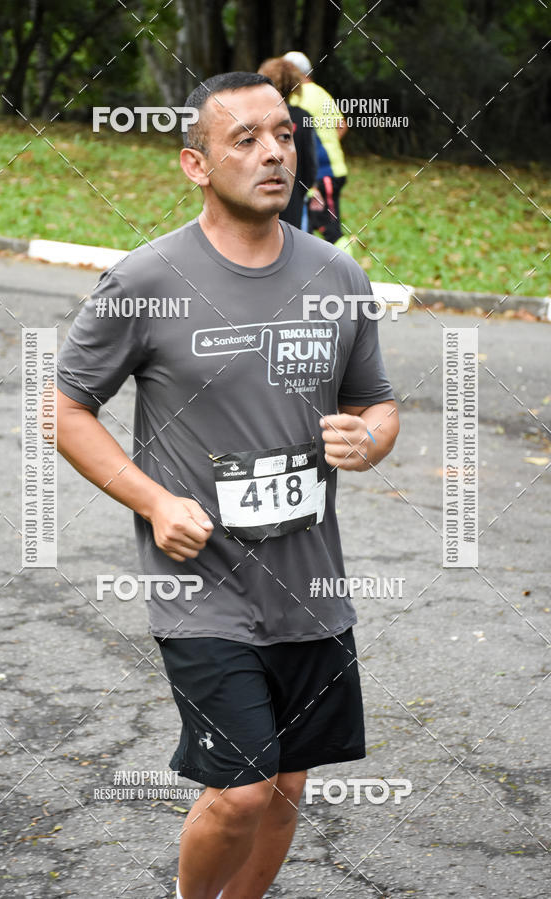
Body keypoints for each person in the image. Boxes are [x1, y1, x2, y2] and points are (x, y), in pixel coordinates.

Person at [55, 71, 399, 899]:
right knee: (242, 785)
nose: (274, 151)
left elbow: (377, 404)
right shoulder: (147, 278)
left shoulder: (336, 276)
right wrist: (154, 501)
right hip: (202, 585)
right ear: (196, 165)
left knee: (288, 784)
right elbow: (66, 409)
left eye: (282, 133)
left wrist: (370, 438)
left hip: (312, 586)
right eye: (244, 139)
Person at [283, 50, 349, 248]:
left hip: (321, 173)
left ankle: (347, 272)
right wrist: (329, 144)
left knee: (329, 230)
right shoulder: (322, 93)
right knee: (310, 227)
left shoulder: (297, 97)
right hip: (334, 170)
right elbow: (341, 125)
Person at [257, 56, 316, 229]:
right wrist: (299, 192)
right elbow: (310, 166)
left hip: (257, 197)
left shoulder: (252, 117)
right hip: (291, 198)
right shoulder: (303, 117)